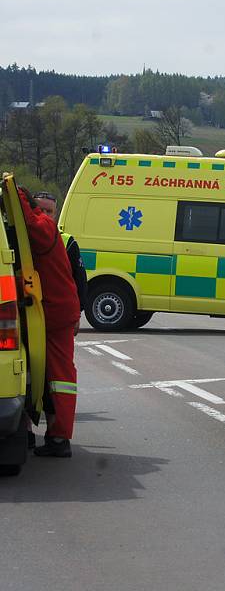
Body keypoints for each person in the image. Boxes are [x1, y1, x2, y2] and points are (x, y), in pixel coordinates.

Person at [18, 188, 81, 457]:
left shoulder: (42, 226)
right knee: (36, 374)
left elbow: (31, 224)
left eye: (49, 210)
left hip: (53, 314)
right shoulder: (41, 225)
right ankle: (36, 434)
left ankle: (59, 439)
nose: (45, 214)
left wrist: (16, 194)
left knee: (59, 378)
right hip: (49, 312)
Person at [33, 192, 87, 333]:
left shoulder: (68, 242)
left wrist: (77, 314)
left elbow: (80, 280)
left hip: (57, 313)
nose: (44, 214)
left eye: (49, 211)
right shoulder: (18, 237)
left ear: (55, 214)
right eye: (40, 210)